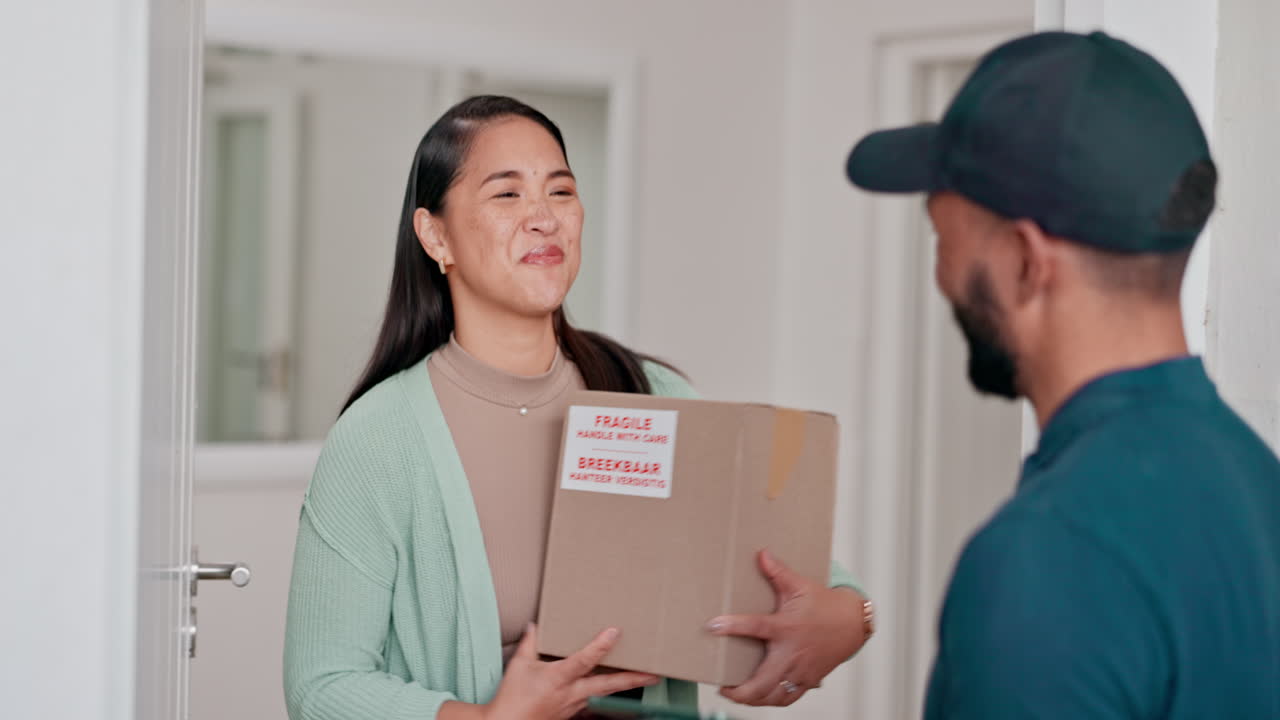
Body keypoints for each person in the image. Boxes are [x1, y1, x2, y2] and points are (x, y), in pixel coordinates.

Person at [283, 95, 872, 720]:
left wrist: (851, 617)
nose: (543, 218)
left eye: (560, 191)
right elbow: (321, 686)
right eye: (507, 195)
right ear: (436, 235)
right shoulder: (379, 438)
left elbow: (810, 582)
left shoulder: (650, 393)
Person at [846, 31, 1280, 718]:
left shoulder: (1045, 557)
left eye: (943, 238)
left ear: (1026, 260)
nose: (942, 276)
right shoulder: (1260, 485)